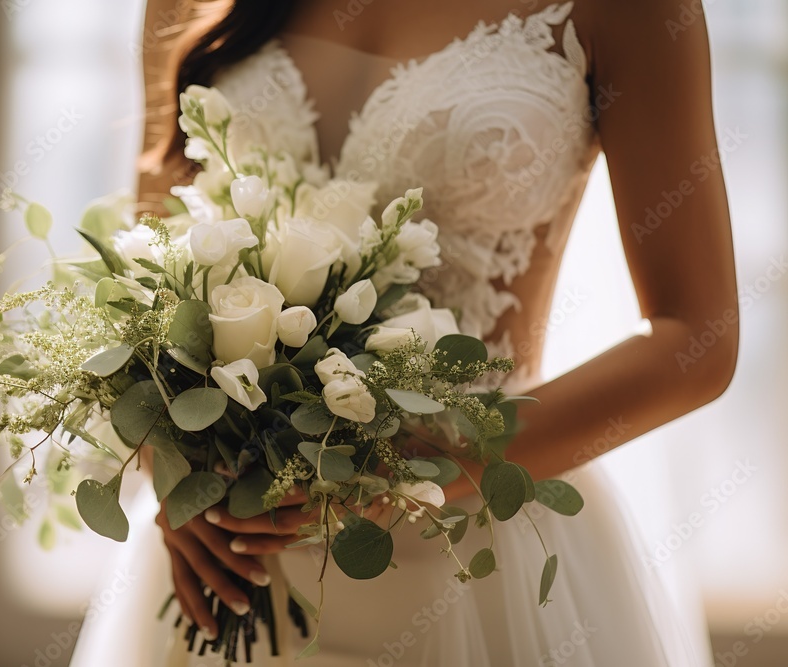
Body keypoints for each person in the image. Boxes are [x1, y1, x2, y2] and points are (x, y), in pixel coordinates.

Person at [73, 0, 738, 664]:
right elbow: (154, 285)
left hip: (476, 551)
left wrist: (431, 460)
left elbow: (697, 339)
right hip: (234, 556)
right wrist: (173, 468)